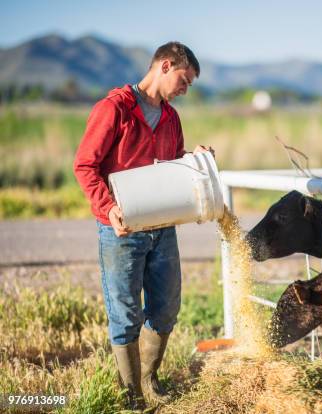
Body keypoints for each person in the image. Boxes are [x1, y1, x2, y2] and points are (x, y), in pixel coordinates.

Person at [73, 41, 212, 409]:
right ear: (166, 66)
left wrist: (193, 160)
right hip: (121, 229)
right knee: (125, 313)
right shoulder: (114, 109)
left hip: (163, 227)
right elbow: (85, 166)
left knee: (166, 308)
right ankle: (130, 392)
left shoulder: (171, 118)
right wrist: (108, 207)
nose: (186, 89)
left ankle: (149, 379)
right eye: (184, 80)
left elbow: (171, 164)